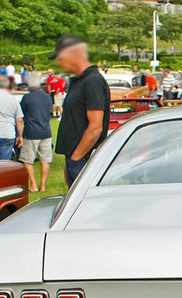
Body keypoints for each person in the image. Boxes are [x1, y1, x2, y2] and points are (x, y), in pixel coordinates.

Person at [50, 34, 110, 188]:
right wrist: (70, 161)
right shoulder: (79, 81)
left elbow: (95, 127)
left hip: (84, 159)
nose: (59, 62)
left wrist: (77, 157)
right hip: (75, 157)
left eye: (61, 57)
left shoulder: (92, 81)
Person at [19, 72, 54, 192]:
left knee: (27, 160)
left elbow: (21, 114)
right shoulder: (47, 97)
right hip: (46, 132)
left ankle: (33, 185)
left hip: (31, 132)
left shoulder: (27, 98)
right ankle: (43, 185)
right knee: (45, 159)